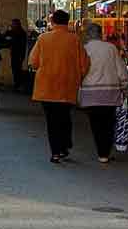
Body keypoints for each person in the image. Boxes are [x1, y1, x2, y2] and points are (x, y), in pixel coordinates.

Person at [28, 9, 90, 163]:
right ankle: (64, 146)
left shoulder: (43, 38)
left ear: (53, 22)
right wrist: (78, 76)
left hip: (46, 86)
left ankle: (55, 151)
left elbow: (33, 62)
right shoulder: (74, 40)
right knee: (65, 116)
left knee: (51, 120)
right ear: (67, 22)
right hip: (68, 85)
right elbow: (84, 64)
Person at [79, 24, 128, 163]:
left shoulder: (84, 49)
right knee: (108, 123)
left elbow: (80, 70)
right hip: (110, 92)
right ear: (101, 34)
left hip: (90, 93)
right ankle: (105, 152)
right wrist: (124, 86)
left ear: (88, 35)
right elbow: (121, 69)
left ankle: (101, 152)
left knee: (96, 124)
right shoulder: (111, 48)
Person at [4, 18, 28, 91]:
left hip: (19, 53)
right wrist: (7, 30)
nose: (12, 25)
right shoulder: (13, 32)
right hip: (14, 53)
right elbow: (4, 36)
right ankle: (17, 84)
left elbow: (22, 45)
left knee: (17, 69)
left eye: (13, 24)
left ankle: (18, 84)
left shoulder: (21, 33)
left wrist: (23, 56)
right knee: (15, 68)